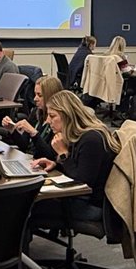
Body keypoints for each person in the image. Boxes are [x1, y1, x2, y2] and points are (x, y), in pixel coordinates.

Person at [31, 90, 118, 225]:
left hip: (90, 206)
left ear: (67, 116)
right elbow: (78, 167)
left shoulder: (92, 139)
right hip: (78, 199)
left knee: (25, 207)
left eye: (52, 116)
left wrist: (63, 154)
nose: (48, 121)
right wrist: (56, 164)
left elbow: (82, 182)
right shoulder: (78, 136)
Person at [1, 74, 62, 160]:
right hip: (30, 160)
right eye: (35, 94)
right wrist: (12, 130)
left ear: (50, 96)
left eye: (39, 95)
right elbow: (25, 146)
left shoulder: (57, 121)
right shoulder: (36, 112)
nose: (35, 99)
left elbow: (50, 156)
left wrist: (34, 133)